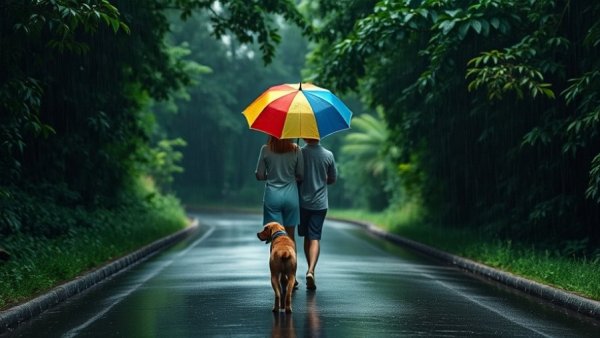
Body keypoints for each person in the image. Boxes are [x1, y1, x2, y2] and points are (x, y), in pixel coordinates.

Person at [298, 138, 337, 290]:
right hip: (320, 204)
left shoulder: (299, 153)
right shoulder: (328, 155)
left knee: (307, 237)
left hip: (302, 203)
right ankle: (311, 270)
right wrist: (322, 178)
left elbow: (296, 176)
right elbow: (332, 179)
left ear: (306, 137)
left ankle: (309, 269)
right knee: (315, 237)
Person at [255, 136, 304, 243]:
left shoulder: (265, 149)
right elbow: (300, 175)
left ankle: (275, 259)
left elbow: (259, 175)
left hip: (272, 197)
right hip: (291, 197)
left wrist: (271, 175)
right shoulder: (296, 149)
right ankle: (292, 259)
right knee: (290, 237)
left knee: (275, 237)